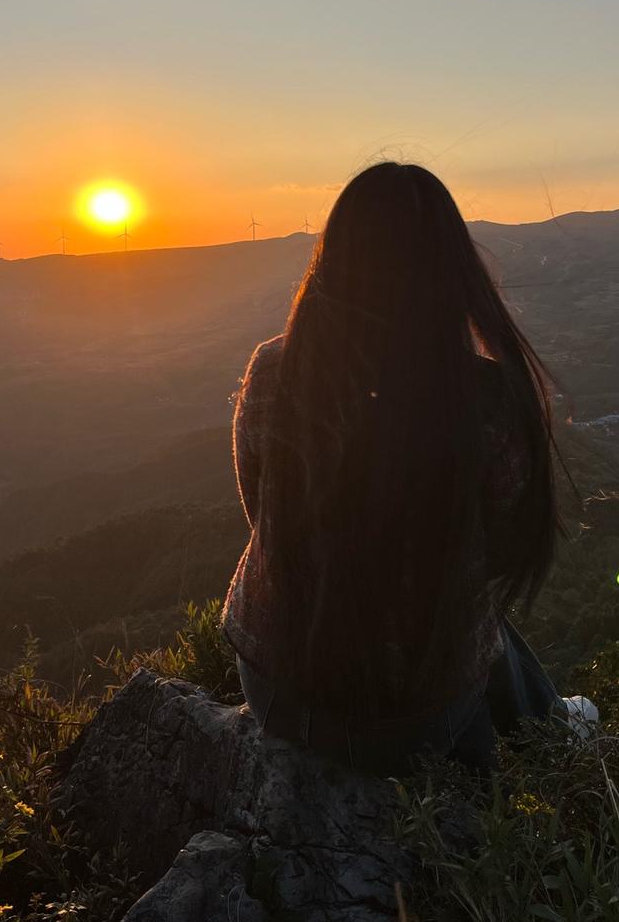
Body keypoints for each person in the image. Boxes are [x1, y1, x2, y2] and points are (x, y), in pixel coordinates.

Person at [221, 161, 567, 778]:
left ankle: (557, 729)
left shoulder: (275, 371)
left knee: (478, 631)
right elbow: (508, 544)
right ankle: (562, 743)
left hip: (277, 687)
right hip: (418, 715)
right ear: (451, 270)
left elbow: (261, 509)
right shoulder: (490, 403)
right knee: (482, 630)